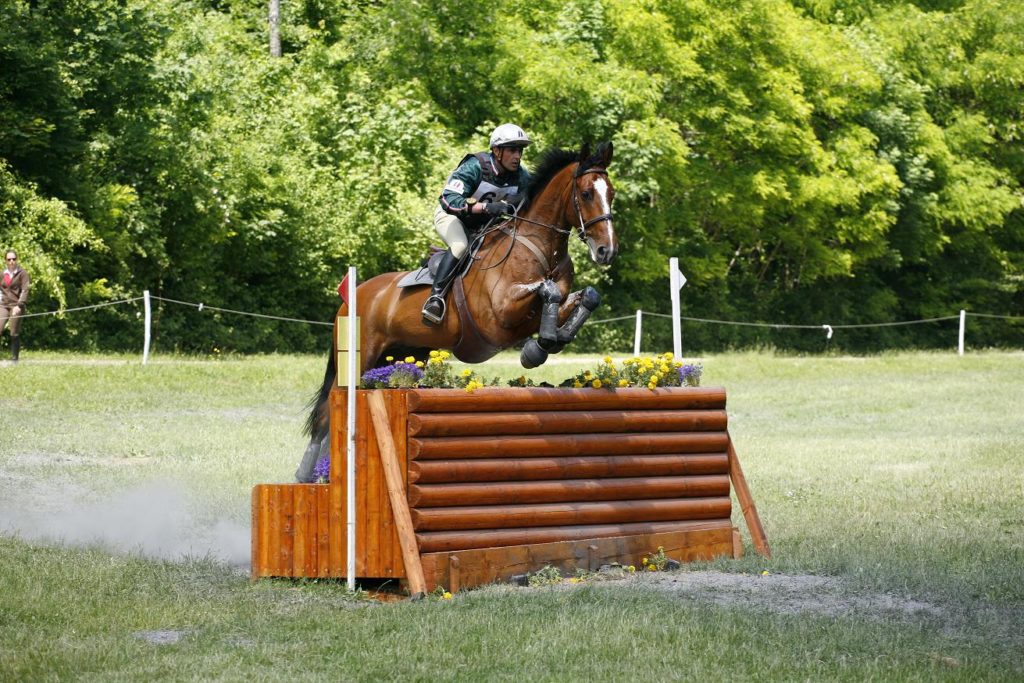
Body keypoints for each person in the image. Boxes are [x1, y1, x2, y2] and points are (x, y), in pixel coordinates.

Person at [422, 123, 533, 325]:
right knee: (460, 246)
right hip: (453, 217)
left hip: (484, 226)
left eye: (520, 150)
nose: (517, 156)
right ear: (497, 151)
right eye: (512, 150)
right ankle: (435, 298)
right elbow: (448, 199)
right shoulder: (475, 166)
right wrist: (484, 208)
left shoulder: (521, 176)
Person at [1, 249, 30, 363]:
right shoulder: (2, 273)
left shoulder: (23, 273)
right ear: (5, 261)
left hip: (16, 305)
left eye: (14, 259)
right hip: (3, 305)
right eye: (9, 259)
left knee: (14, 333)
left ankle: (14, 359)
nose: (11, 261)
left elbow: (25, 290)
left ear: (17, 260)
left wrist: (19, 305)